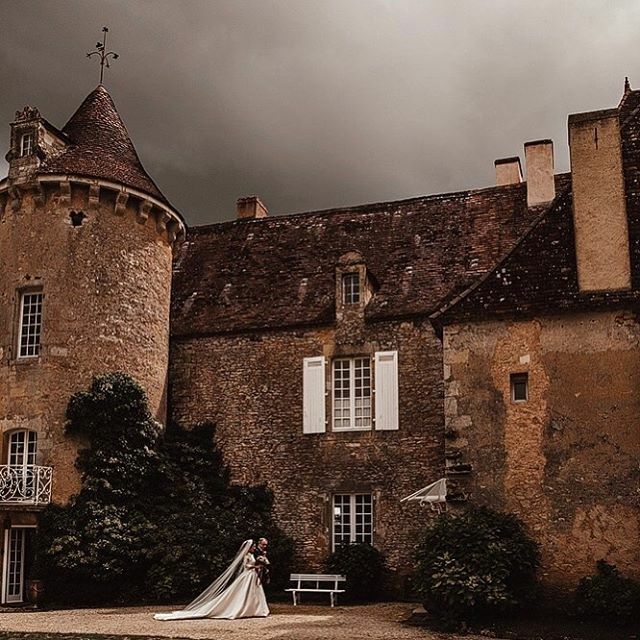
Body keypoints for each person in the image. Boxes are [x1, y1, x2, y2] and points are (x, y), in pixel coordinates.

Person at [153, 540, 269, 621]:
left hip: (252, 575)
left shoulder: (253, 554)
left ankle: (255, 609)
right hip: (248, 574)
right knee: (244, 592)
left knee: (254, 593)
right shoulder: (247, 556)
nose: (254, 548)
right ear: (249, 547)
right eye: (253, 546)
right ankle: (243, 609)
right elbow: (246, 566)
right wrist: (256, 567)